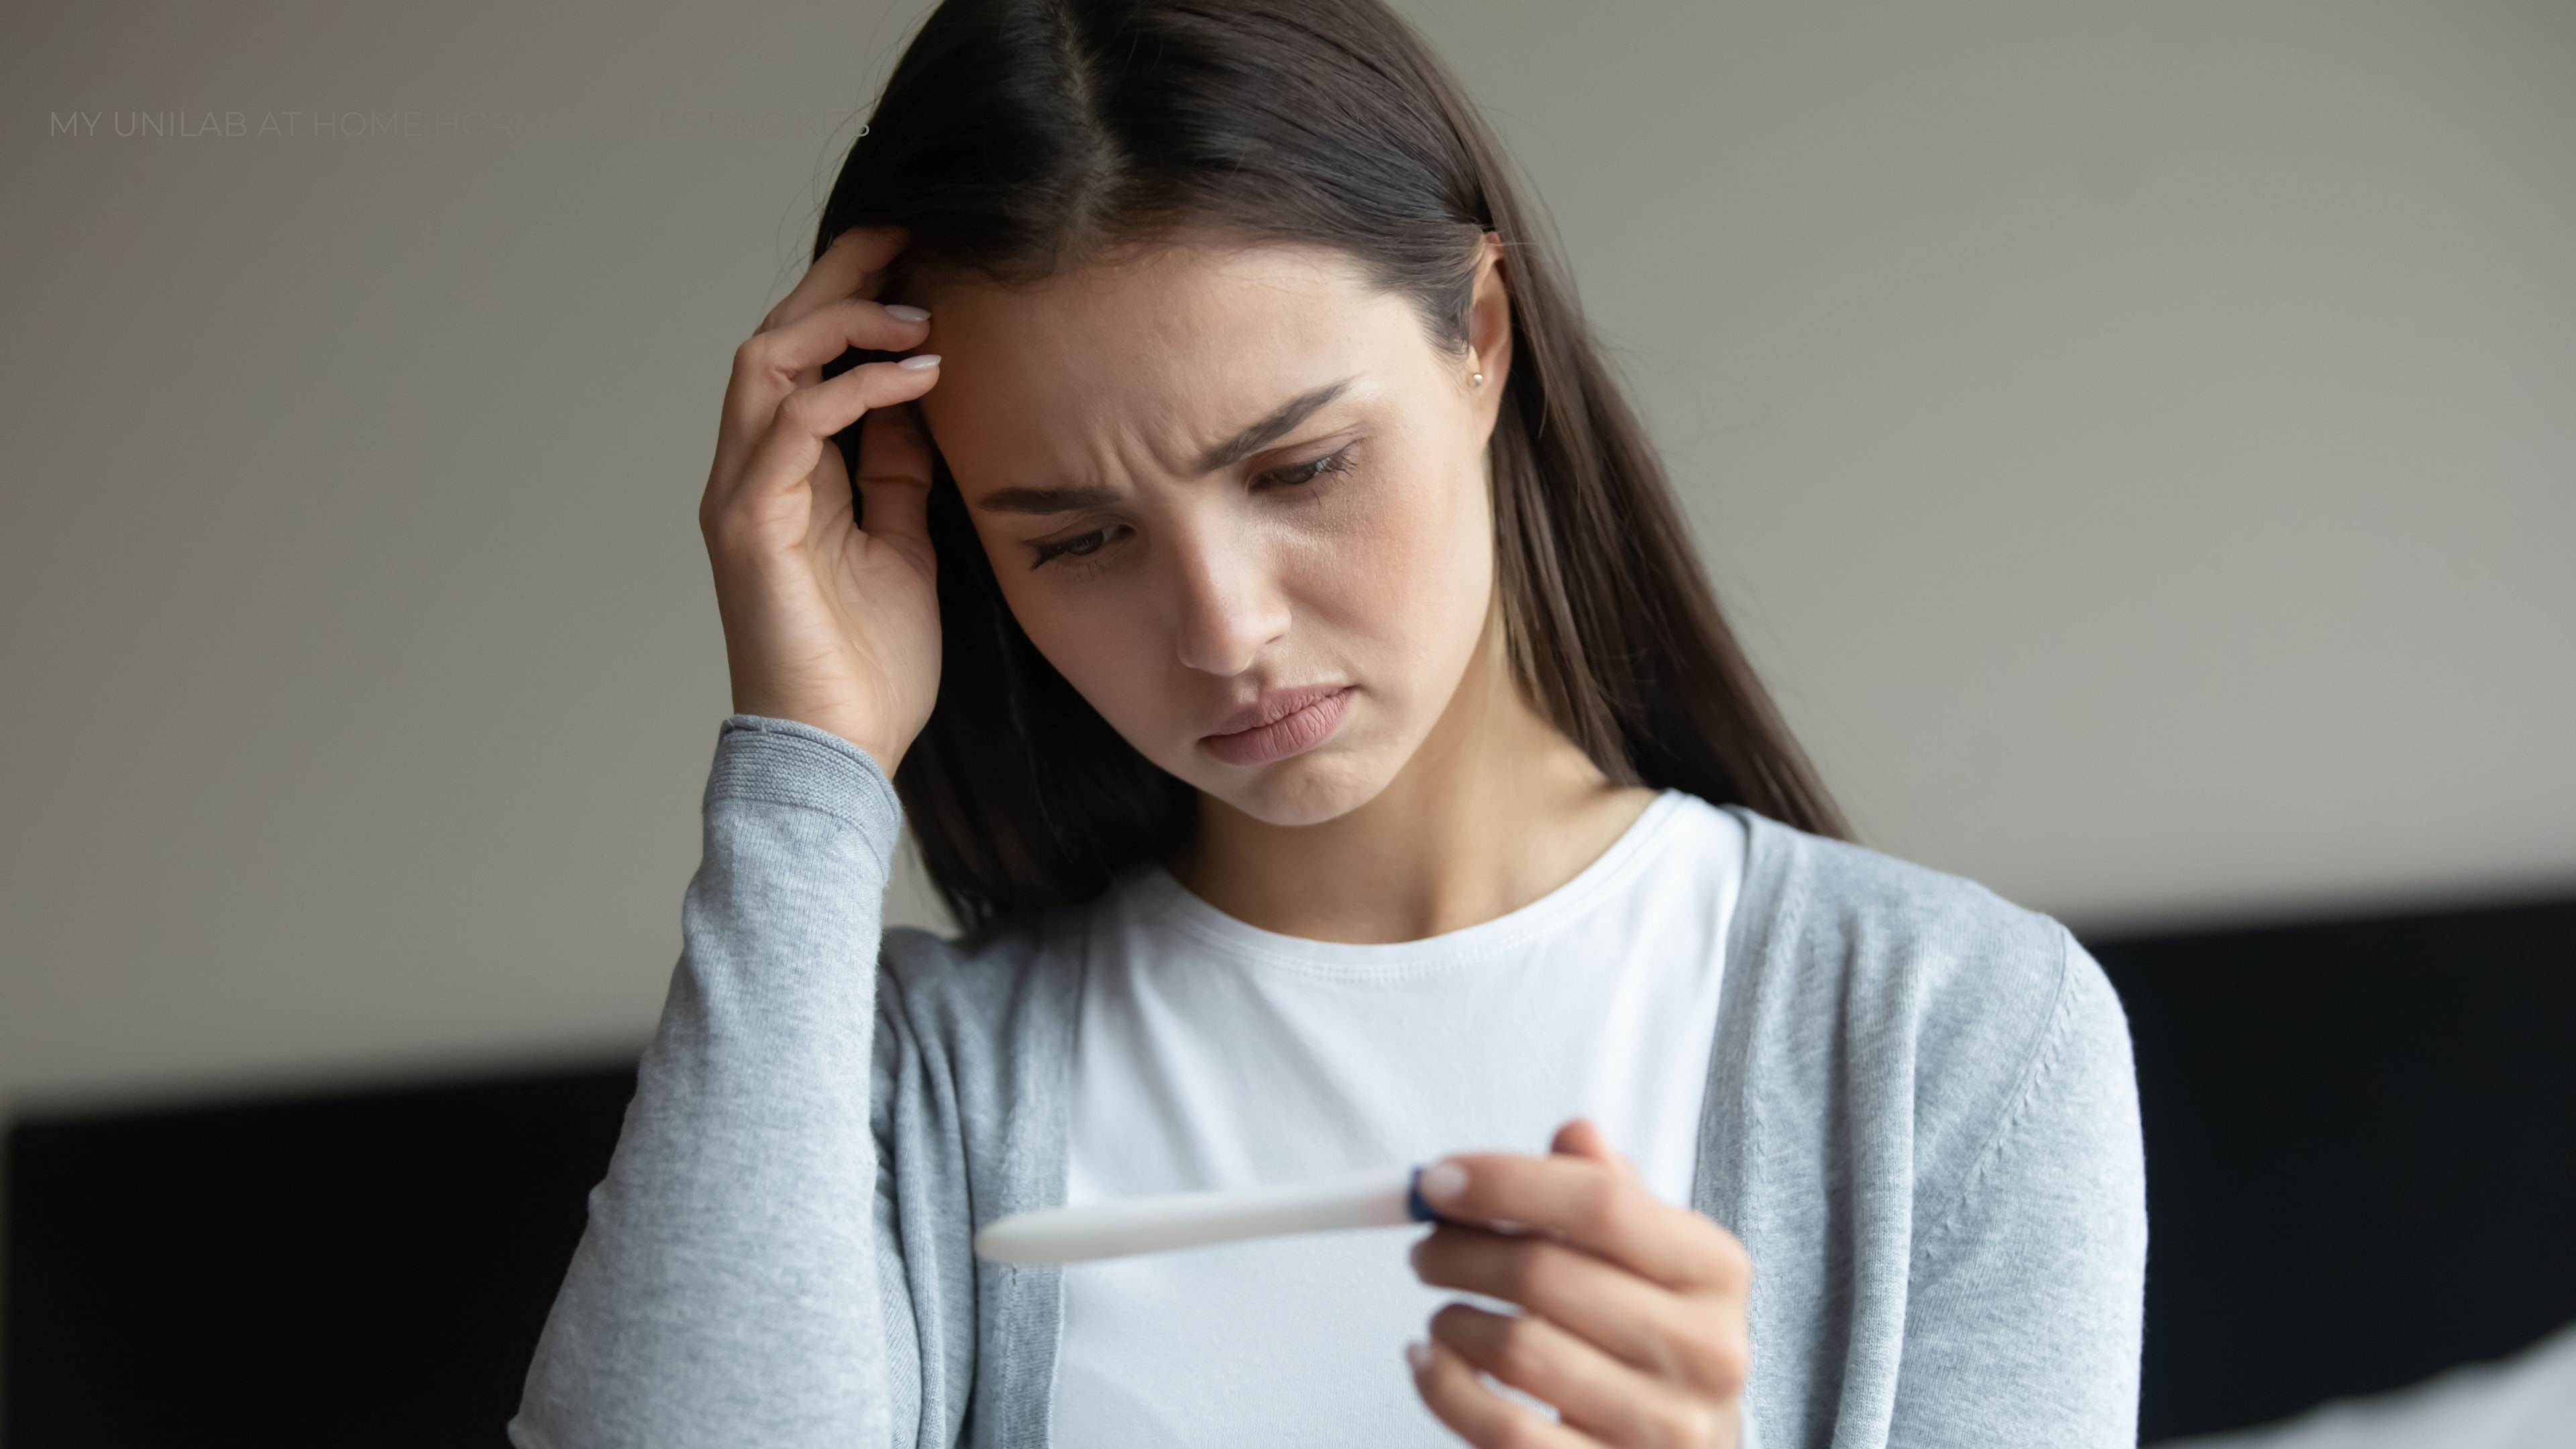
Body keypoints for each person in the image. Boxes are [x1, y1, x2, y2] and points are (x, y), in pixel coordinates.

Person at [510, 0, 2146, 1445]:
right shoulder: (910, 1091)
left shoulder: (1955, 1043)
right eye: (1075, 541)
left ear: (1479, 339)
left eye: (1299, 468)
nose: (1227, 631)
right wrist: (807, 768)